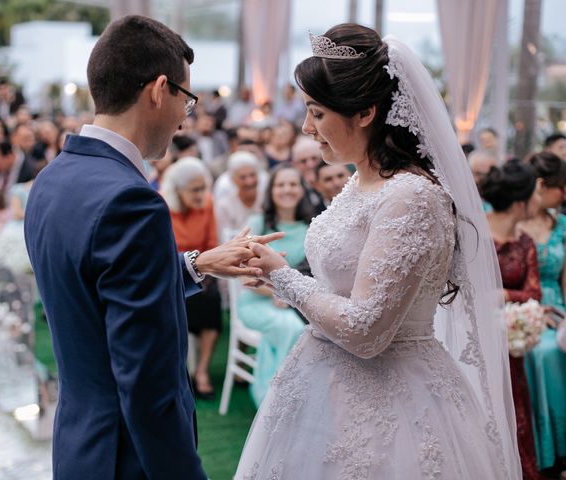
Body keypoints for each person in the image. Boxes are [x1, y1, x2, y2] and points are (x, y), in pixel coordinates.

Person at [236, 24, 521, 479]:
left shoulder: (411, 197)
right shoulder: (360, 181)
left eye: (316, 113)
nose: (307, 128)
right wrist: (276, 275)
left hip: (395, 402)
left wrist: (284, 277)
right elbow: (344, 282)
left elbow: (368, 330)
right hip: (325, 384)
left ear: (366, 112)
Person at [24, 16, 280, 480]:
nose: (187, 117)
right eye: (187, 98)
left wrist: (193, 265)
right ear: (160, 90)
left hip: (80, 442)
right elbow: (148, 388)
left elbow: (93, 289)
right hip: (128, 456)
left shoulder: (51, 179)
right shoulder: (132, 201)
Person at [480, 160, 544, 480]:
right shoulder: (476, 234)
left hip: (509, 343)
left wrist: (503, 296)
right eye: (535, 193)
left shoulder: (525, 242)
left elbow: (535, 292)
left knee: (515, 415)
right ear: (521, 200)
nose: (539, 199)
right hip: (477, 341)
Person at [237, 165, 310, 405]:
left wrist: (288, 297)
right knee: (291, 327)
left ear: (302, 190)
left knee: (302, 327)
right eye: (280, 184)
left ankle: (294, 396)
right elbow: (241, 271)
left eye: (292, 184)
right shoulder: (258, 223)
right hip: (256, 301)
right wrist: (274, 294)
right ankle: (274, 400)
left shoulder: (311, 226)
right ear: (271, 191)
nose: (287, 189)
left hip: (294, 302)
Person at [518, 152, 566, 475]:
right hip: (521, 308)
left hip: (557, 306)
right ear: (541, 186)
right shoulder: (511, 220)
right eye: (561, 187)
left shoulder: (562, 225)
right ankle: (541, 451)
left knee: (555, 346)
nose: (564, 195)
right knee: (540, 352)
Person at [160, 157, 222, 400]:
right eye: (194, 189)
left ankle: (202, 370)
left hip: (202, 270)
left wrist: (203, 272)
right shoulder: (161, 206)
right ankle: (178, 369)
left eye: (203, 187)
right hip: (171, 272)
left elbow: (211, 243)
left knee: (211, 300)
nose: (201, 194)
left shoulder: (207, 203)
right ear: (177, 190)